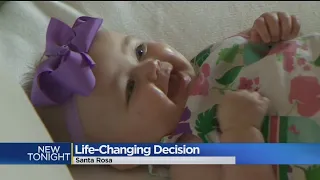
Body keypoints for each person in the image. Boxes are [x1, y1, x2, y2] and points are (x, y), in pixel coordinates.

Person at [22, 11, 319, 180]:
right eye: (130, 88)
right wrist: (241, 130)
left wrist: (268, 32)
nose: (151, 65)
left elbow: (254, 51)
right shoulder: (186, 155)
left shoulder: (202, 61)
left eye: (138, 51)